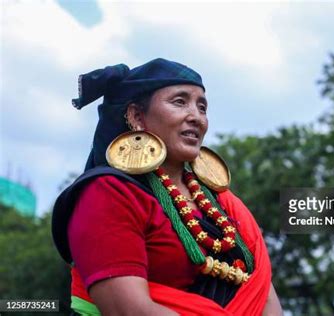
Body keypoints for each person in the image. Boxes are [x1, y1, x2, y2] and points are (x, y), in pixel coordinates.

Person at [52, 58, 282, 315]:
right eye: (179, 102)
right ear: (136, 116)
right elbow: (130, 311)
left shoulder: (223, 203)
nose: (196, 117)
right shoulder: (108, 193)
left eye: (202, 107)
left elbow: (264, 295)